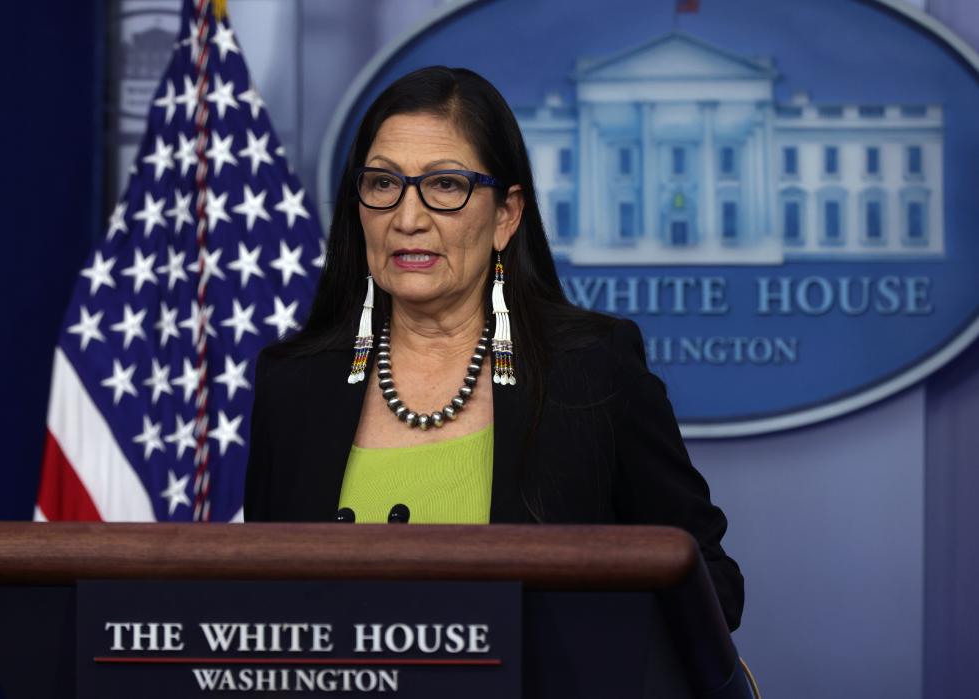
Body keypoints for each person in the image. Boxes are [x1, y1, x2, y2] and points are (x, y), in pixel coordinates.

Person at [244, 66, 744, 631]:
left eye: (446, 185)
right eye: (383, 183)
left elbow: (711, 585)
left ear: (506, 215)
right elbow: (266, 610)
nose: (408, 219)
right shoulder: (293, 382)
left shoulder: (593, 371)